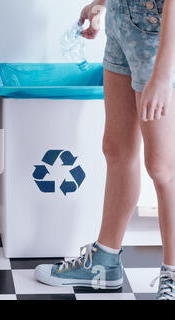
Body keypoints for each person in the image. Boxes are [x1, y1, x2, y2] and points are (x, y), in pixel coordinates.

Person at [34, 0, 175, 300]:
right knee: (116, 149)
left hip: (158, 40)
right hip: (122, 29)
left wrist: (163, 75)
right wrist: (103, 4)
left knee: (162, 168)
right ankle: (106, 262)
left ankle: (173, 274)